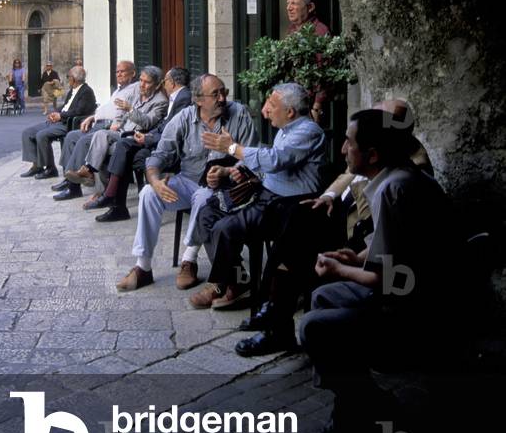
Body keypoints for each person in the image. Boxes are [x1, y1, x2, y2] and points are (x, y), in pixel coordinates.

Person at [298, 109, 457, 433]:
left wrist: (340, 271)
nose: (342, 151)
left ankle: (368, 404)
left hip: (412, 310)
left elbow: (385, 278)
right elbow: (396, 244)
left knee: (312, 326)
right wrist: (355, 257)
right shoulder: (404, 177)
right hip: (419, 292)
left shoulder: (392, 189)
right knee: (322, 296)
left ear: (371, 154)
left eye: (349, 143)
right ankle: (350, 408)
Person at [235, 99, 433, 357]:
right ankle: (275, 313)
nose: (342, 149)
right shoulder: (376, 154)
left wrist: (350, 261)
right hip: (346, 221)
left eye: (380, 119)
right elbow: (347, 176)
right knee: (296, 218)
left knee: (299, 247)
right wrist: (328, 196)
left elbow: (382, 235)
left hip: (361, 233)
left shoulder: (402, 174)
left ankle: (286, 323)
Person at [185, 83, 329, 312]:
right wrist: (236, 170)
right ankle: (236, 280)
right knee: (207, 211)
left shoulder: (308, 131)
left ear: (290, 112)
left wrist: (232, 148)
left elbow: (276, 160)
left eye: (271, 105)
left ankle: (227, 283)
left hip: (288, 207)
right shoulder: (287, 129)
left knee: (225, 227)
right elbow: (274, 165)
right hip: (267, 196)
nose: (265, 110)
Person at [116, 74, 258, 292]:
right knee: (148, 193)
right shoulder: (184, 118)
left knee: (205, 196)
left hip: (226, 186)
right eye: (215, 94)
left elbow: (251, 157)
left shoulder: (239, 114)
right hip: (188, 179)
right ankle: (143, 267)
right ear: (198, 100)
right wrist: (154, 180)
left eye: (224, 92)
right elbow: (160, 154)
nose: (222, 98)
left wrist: (227, 171)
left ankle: (189, 260)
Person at [83, 67, 191, 221]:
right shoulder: (176, 97)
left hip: (171, 149)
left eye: (165, 81)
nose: (163, 84)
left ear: (172, 82)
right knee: (125, 149)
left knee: (125, 148)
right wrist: (148, 135)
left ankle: (113, 200)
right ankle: (115, 204)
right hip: (154, 139)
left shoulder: (182, 98)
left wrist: (148, 138)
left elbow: (175, 131)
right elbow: (165, 125)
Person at [65, 66, 168, 220]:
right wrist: (118, 122)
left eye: (147, 82)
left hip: (135, 136)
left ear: (157, 84)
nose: (142, 85)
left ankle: (92, 175)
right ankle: (91, 175)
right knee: (99, 137)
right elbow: (121, 114)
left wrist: (130, 109)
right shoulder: (137, 94)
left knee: (102, 140)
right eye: (141, 80)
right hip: (121, 131)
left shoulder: (160, 101)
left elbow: (147, 123)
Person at [50, 62, 138, 199]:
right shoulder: (118, 90)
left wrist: (116, 123)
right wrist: (92, 117)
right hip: (98, 123)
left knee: (83, 141)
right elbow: (106, 108)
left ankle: (73, 186)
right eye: (117, 71)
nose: (119, 74)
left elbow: (129, 112)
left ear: (133, 73)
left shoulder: (135, 89)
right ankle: (69, 178)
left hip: (110, 127)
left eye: (123, 71)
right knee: (71, 136)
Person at [20, 66, 96, 179]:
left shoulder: (86, 91)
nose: (67, 79)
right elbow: (66, 106)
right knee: (27, 132)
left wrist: (60, 116)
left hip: (68, 123)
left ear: (73, 79)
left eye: (68, 77)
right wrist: (55, 113)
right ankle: (37, 166)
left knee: (41, 135)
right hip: (58, 120)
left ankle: (50, 169)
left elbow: (79, 111)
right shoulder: (72, 90)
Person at [285, 0, 331, 123]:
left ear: (310, 7)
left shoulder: (320, 32)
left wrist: (317, 106)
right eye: (288, 3)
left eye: (294, 3)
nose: (289, 8)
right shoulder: (291, 30)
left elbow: (325, 73)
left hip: (311, 107)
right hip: (294, 103)